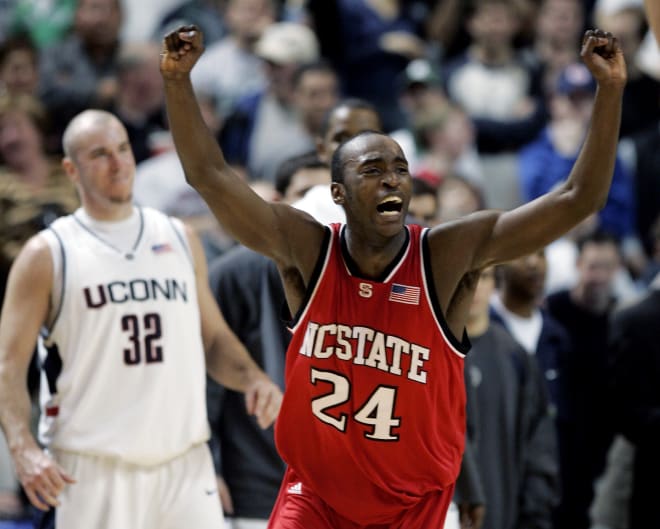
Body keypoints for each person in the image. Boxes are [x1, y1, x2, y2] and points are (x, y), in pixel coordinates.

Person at [161, 24, 626, 528]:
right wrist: (177, 80)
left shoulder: (446, 254)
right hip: (315, 497)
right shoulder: (307, 248)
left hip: (412, 506)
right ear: (337, 192)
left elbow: (578, 198)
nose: (391, 179)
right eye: (373, 168)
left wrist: (610, 90)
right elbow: (210, 175)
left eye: (400, 168)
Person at [0, 109, 282, 529]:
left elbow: (213, 340)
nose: (118, 163)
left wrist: (253, 378)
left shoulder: (178, 236)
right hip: (93, 468)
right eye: (100, 154)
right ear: (70, 169)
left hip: (184, 462)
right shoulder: (48, 253)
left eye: (122, 149)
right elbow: (9, 365)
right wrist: (23, 448)